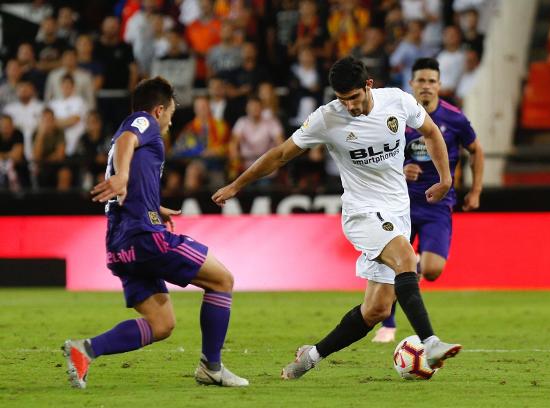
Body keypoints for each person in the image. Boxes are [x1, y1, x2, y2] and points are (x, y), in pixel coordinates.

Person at [212, 56, 461, 379]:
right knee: (406, 258)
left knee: (377, 310)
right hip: (362, 213)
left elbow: (431, 132)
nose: (350, 106)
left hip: (398, 212)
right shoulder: (327, 118)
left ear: (369, 85)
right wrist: (237, 184)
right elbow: (280, 154)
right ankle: (430, 342)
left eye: (354, 98)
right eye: (343, 100)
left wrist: (445, 179)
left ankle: (310, 357)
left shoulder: (397, 101)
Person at [62, 76, 248, 389]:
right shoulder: (143, 121)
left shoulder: (132, 136)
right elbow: (126, 144)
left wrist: (153, 204)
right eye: (172, 115)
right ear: (159, 110)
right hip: (145, 236)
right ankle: (211, 367)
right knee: (222, 280)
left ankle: (85, 350)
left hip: (120, 243)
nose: (171, 123)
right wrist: (122, 177)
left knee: (162, 325)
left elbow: (129, 162)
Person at [372, 57, 484, 343]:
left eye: (431, 81)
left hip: (438, 206)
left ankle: (413, 266)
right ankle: (389, 324)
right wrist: (399, 168)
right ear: (411, 84)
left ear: (439, 85)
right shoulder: (394, 117)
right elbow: (376, 155)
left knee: (432, 271)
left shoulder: (454, 118)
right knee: (394, 263)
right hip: (402, 204)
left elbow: (476, 150)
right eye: (420, 80)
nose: (426, 86)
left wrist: (475, 191)